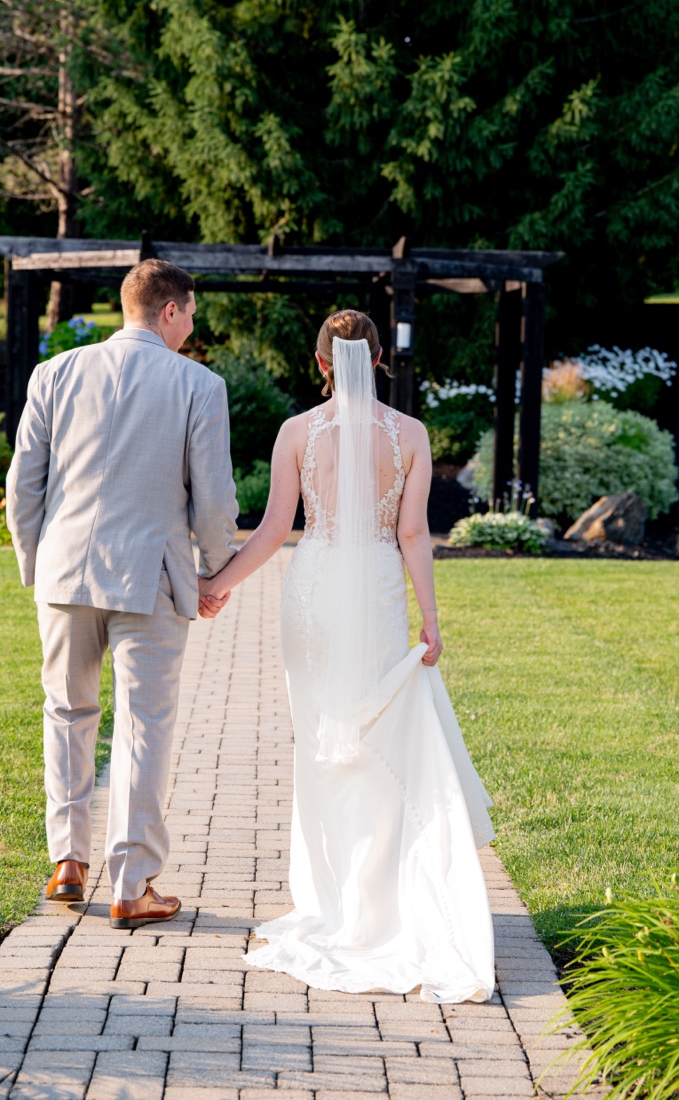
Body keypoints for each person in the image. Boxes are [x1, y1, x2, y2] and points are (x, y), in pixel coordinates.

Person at [198, 310, 495, 1002]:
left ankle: (335, 899)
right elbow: (415, 531)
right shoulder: (411, 435)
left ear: (322, 362)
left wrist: (218, 585)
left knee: (323, 742)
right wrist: (431, 617)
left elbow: (276, 529)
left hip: (316, 592)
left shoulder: (298, 432)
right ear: (380, 357)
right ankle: (380, 898)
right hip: (380, 589)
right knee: (378, 734)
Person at [5, 258, 238, 929]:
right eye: (190, 315)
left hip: (64, 574)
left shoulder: (55, 373)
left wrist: (36, 565)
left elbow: (25, 483)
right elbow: (215, 497)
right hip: (153, 577)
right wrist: (215, 571)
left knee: (68, 712)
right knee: (143, 726)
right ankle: (132, 883)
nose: (192, 327)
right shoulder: (198, 384)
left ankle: (68, 863)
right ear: (169, 310)